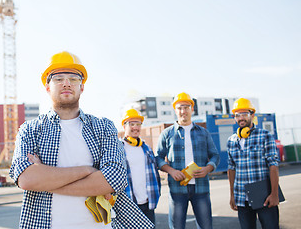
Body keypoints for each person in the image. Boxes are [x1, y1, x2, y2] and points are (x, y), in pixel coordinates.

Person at [9, 51, 154, 229]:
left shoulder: (103, 127)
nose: (67, 83)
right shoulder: (30, 130)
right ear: (47, 87)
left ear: (82, 87)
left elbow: (114, 180)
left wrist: (45, 180)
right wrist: (87, 170)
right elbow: (26, 180)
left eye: (74, 78)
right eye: (58, 78)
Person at [155, 92, 220, 229]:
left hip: (201, 188)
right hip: (177, 190)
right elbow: (158, 158)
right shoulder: (167, 134)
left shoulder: (204, 133)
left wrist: (207, 169)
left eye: (186, 107)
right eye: (179, 108)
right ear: (175, 110)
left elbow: (215, 155)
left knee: (206, 227)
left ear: (192, 109)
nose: (183, 111)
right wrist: (171, 171)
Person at [227, 98, 280, 229]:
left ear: (252, 115)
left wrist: (274, 194)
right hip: (241, 198)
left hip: (264, 197)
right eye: (237, 115)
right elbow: (231, 169)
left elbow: (273, 166)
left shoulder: (265, 136)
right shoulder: (231, 140)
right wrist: (232, 195)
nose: (241, 118)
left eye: (244, 114)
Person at [120, 108, 161, 224]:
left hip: (148, 203)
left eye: (138, 124)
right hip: (128, 205)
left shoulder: (146, 148)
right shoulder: (118, 149)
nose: (135, 127)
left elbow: (155, 174)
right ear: (124, 126)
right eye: (132, 124)